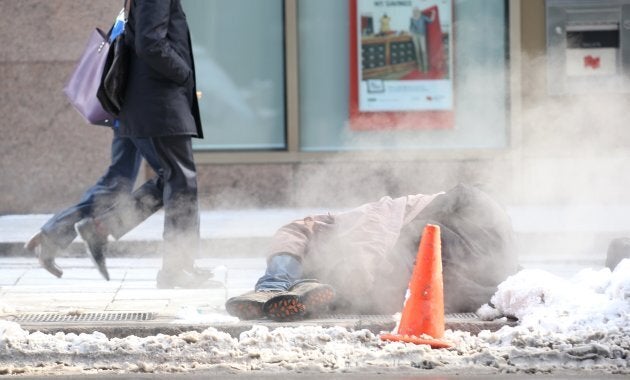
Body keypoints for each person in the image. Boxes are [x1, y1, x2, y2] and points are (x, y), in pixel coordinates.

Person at [226, 184, 520, 321]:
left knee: (381, 270)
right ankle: (286, 288)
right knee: (383, 282)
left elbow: (376, 230)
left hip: (467, 215)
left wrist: (273, 284)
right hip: (483, 261)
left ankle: (274, 286)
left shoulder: (337, 223)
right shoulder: (321, 240)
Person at [76, 0, 212, 289]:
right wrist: (184, 74)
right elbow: (150, 42)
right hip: (159, 102)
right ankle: (177, 269)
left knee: (170, 180)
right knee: (181, 183)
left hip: (151, 101)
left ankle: (101, 228)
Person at [24, 130, 160, 279]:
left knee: (119, 180)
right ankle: (100, 226)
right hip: (145, 113)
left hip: (130, 113)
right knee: (172, 175)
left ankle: (55, 235)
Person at [409, 7, 435, 73]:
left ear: (419, 12)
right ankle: (420, 67)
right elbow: (411, 27)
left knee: (423, 51)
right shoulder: (412, 18)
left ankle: (425, 68)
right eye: (414, 11)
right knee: (417, 51)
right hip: (415, 36)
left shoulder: (423, 17)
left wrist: (433, 13)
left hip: (422, 36)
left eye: (416, 11)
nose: (415, 12)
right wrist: (411, 32)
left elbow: (431, 21)